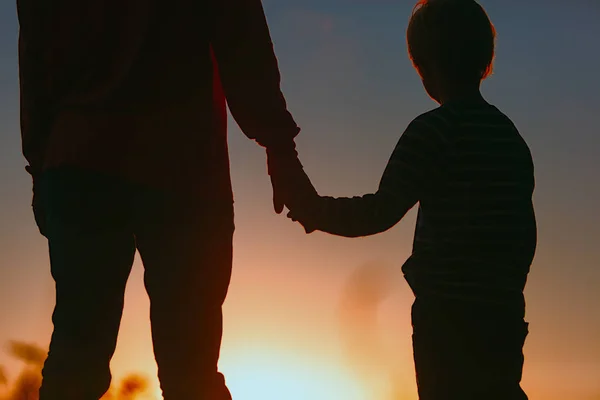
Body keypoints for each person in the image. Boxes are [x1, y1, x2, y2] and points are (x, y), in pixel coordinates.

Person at [17, 0, 301, 398]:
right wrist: (278, 144)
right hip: (182, 169)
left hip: (81, 162)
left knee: (76, 358)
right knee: (191, 370)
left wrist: (40, 166)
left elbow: (35, 52)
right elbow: (239, 30)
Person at [272, 0, 537, 399]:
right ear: (485, 59)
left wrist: (315, 210)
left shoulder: (432, 132)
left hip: (446, 317)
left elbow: (379, 211)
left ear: (424, 67)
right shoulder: (511, 138)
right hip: (502, 314)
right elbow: (524, 232)